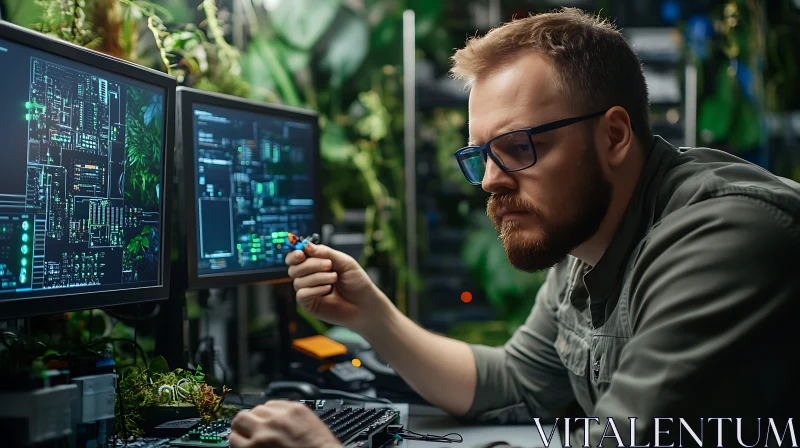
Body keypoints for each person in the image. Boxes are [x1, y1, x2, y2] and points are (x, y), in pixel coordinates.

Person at [229, 7, 800, 448]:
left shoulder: (723, 238)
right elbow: (514, 383)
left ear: (615, 135)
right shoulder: (590, 239)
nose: (489, 182)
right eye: (482, 155)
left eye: (519, 146)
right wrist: (370, 314)